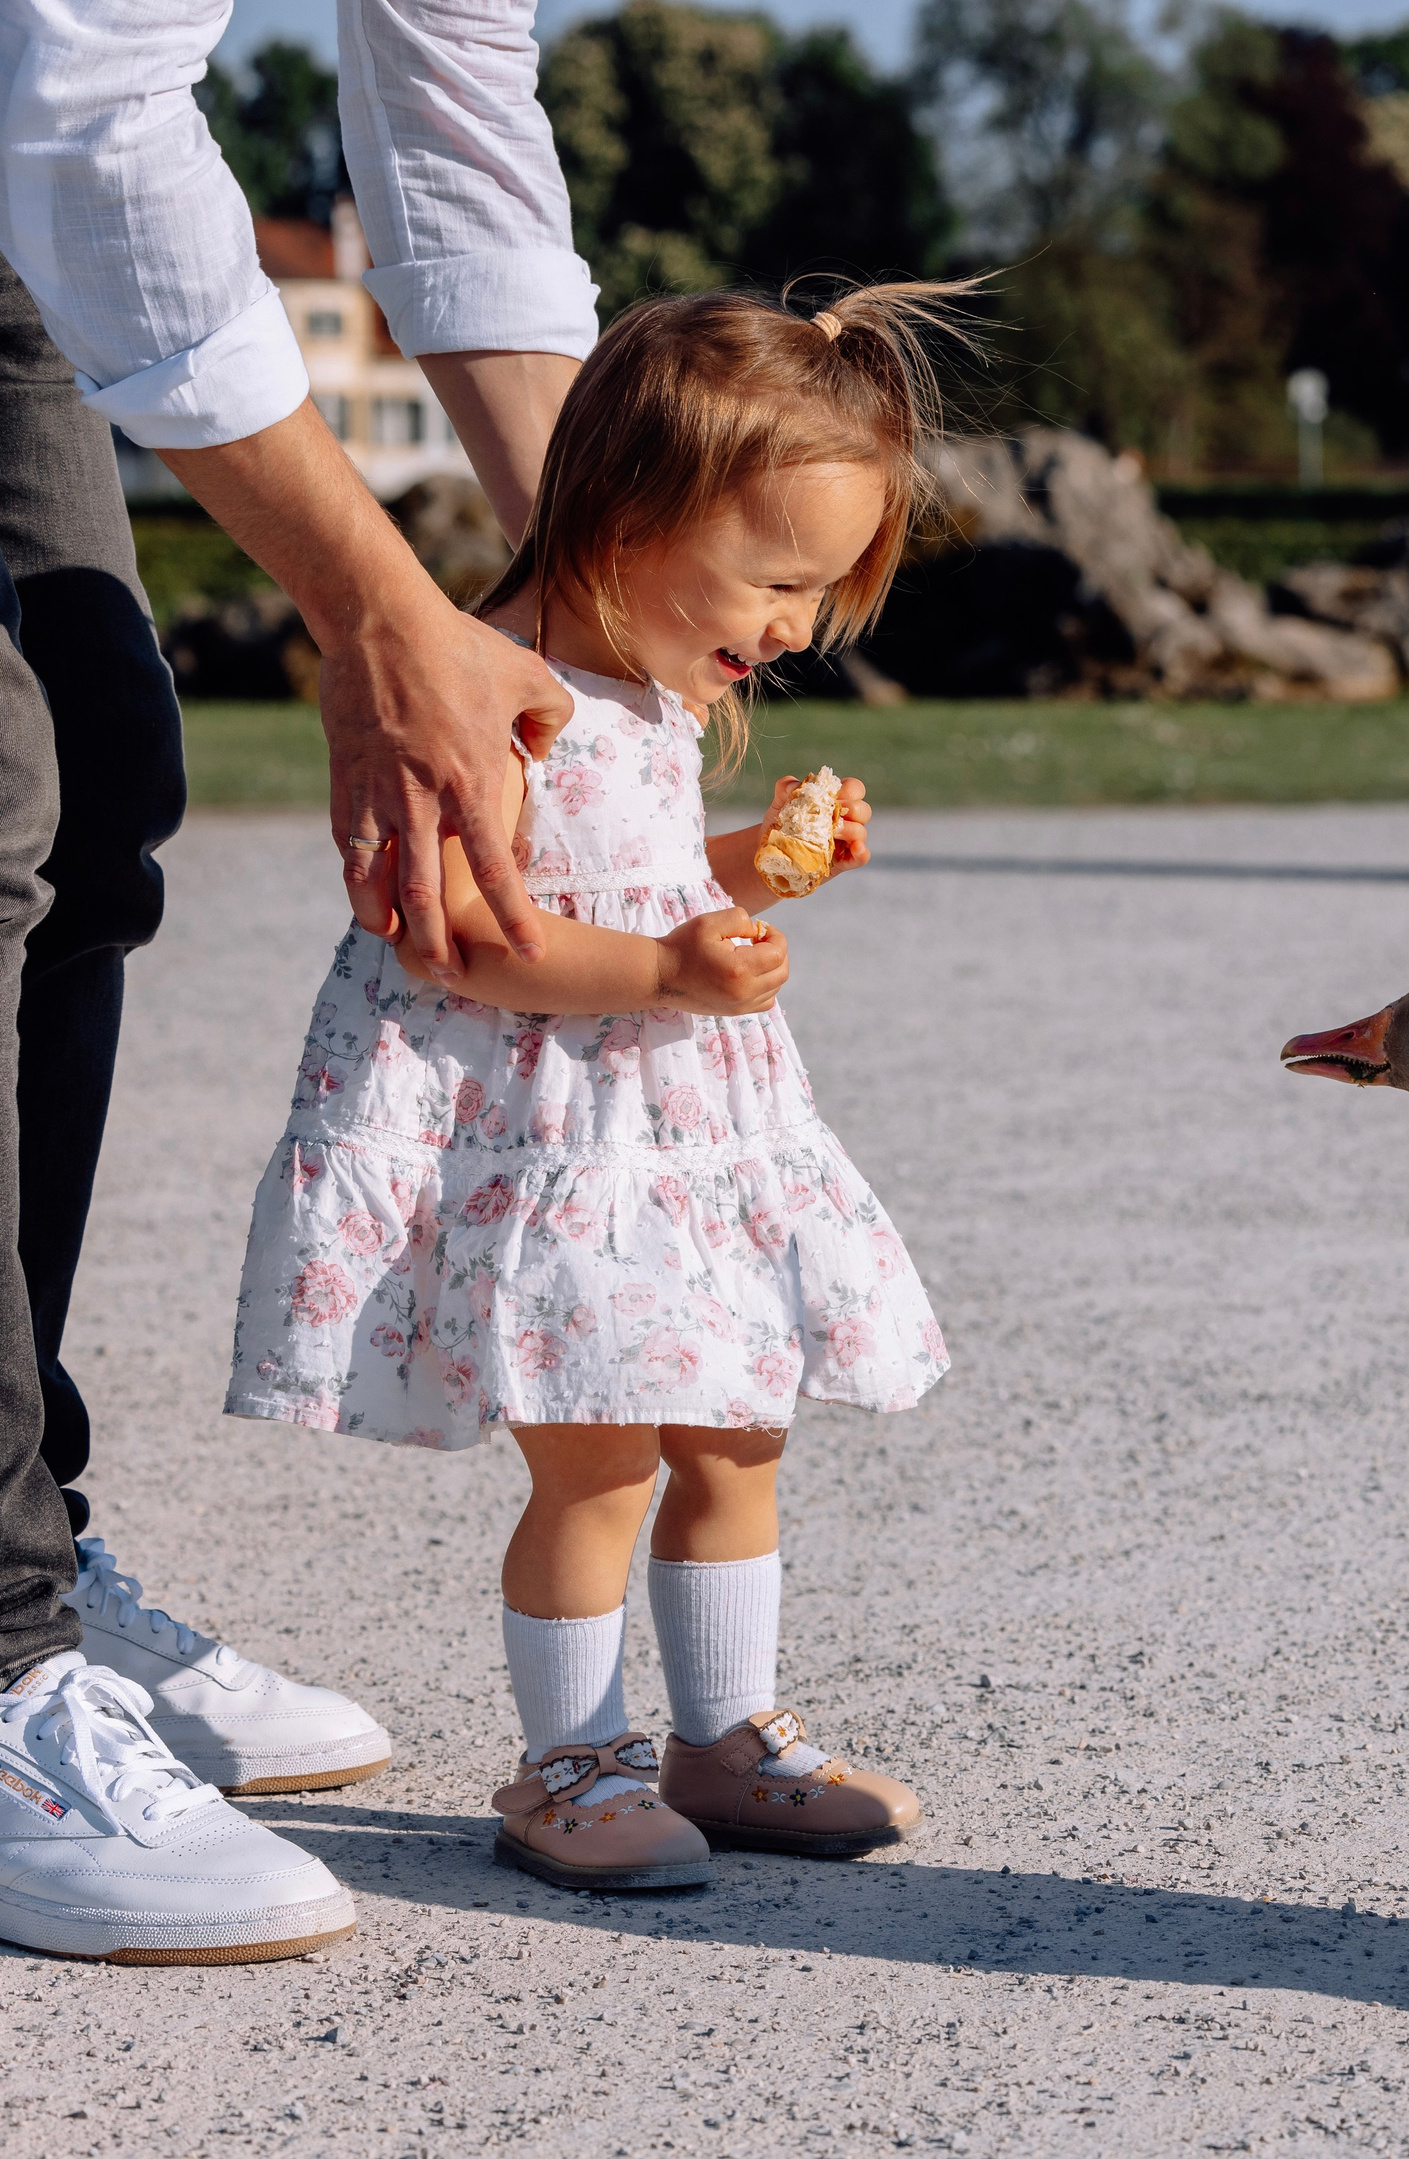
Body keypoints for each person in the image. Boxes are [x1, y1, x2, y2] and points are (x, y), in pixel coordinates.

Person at [226, 287, 954, 1891]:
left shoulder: (653, 703)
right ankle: (569, 1763)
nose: (788, 632)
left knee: (736, 1434)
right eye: (775, 583)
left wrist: (743, 868)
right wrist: (675, 975)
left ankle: (725, 1735)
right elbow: (468, 942)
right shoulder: (493, 693)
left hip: (675, 1135)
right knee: (600, 1452)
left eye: (816, 598)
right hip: (559, 1141)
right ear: (629, 520)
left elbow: (619, 879)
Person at [0, 0, 591, 1961]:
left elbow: (454, 138)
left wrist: (612, 622)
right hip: (36, 122)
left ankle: (27, 1544)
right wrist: (373, 607)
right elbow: (86, 101)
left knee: (99, 784)